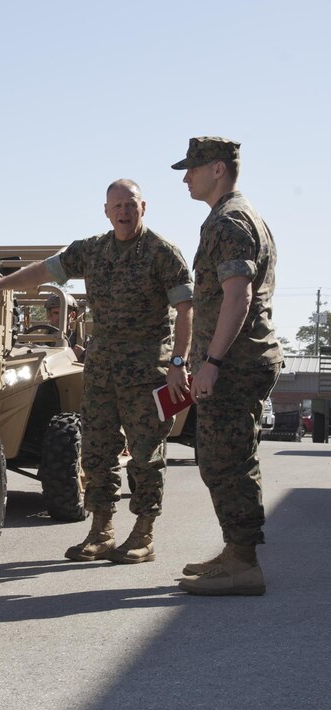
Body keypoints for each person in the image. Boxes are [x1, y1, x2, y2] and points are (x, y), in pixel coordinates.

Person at [0, 180, 193, 565]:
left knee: (145, 456)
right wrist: (0, 284)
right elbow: (45, 270)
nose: (124, 211)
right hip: (102, 371)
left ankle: (142, 535)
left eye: (131, 204)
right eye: (117, 205)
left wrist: (178, 363)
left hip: (147, 372)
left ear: (144, 207)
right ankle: (102, 531)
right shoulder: (92, 250)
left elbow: (186, 309)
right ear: (106, 210)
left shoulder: (162, 254)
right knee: (96, 453)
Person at [172, 137, 283, 596]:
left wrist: (212, 362)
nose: (185, 178)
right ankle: (235, 551)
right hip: (236, 361)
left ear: (217, 169)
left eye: (192, 169)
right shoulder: (232, 216)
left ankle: (244, 563)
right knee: (219, 458)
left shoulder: (230, 220)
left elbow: (239, 296)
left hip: (236, 363)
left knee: (227, 461)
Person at [43, 292, 85, 361]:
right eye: (56, 313)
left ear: (73, 315)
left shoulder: (82, 340)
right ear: (49, 315)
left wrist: (82, 355)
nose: (60, 317)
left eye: (64, 313)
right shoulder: (40, 339)